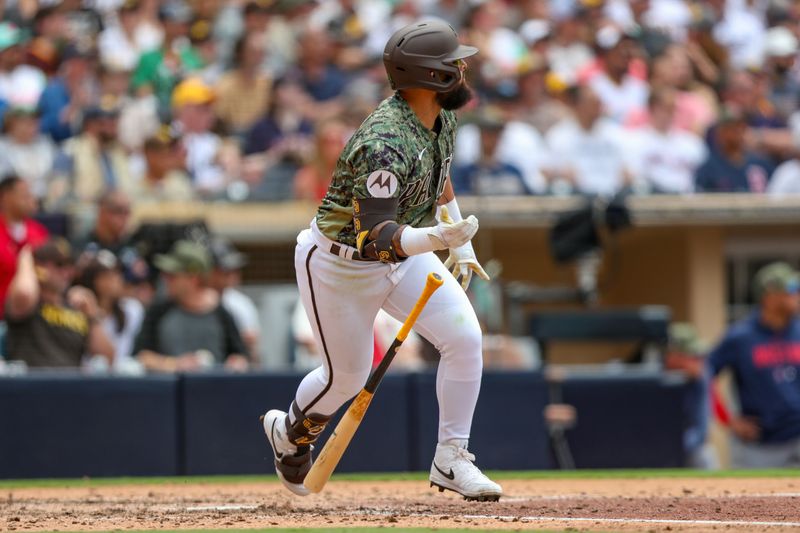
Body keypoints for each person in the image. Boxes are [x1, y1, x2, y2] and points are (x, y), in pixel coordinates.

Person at [261, 19, 502, 502]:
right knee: (345, 378)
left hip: (405, 251)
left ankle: (451, 458)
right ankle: (289, 431)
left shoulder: (442, 114)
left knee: (465, 338)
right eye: (454, 63)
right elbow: (376, 238)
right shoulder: (384, 141)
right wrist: (437, 236)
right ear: (431, 77)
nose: (463, 68)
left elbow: (440, 170)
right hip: (341, 264)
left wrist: (457, 237)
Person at [708, 262, 800, 467]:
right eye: (792, 290)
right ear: (769, 296)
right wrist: (728, 421)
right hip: (759, 445)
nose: (797, 296)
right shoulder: (741, 337)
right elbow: (705, 376)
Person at [133, 239, 250, 373]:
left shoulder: (221, 312)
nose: (165, 280)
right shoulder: (158, 311)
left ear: (193, 277)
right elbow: (141, 356)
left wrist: (236, 363)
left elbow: (240, 356)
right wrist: (174, 364)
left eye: (172, 275)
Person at [5, 239, 114, 368]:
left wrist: (92, 314)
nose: (67, 271)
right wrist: (26, 260)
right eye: (59, 265)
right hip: (32, 383)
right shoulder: (30, 303)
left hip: (69, 384)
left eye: (71, 265)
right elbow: (24, 293)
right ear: (39, 267)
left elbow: (107, 356)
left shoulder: (77, 306)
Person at [75, 249, 144, 373]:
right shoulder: (79, 308)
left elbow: (119, 354)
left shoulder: (132, 309)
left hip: (120, 374)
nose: (114, 281)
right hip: (86, 374)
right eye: (106, 276)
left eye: (116, 274)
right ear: (92, 280)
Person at [0, 176, 49, 318]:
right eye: (24, 195)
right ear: (5, 197)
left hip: (35, 316)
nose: (31, 200)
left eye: (31, 195)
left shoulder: (39, 232)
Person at [694, 106, 773, 193]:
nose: (737, 132)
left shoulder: (760, 163)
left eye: (740, 127)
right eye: (730, 128)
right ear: (719, 132)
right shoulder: (709, 169)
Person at [208, 238, 260, 363]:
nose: (233, 274)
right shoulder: (190, 302)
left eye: (235, 269)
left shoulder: (240, 304)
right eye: (226, 270)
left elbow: (253, 350)